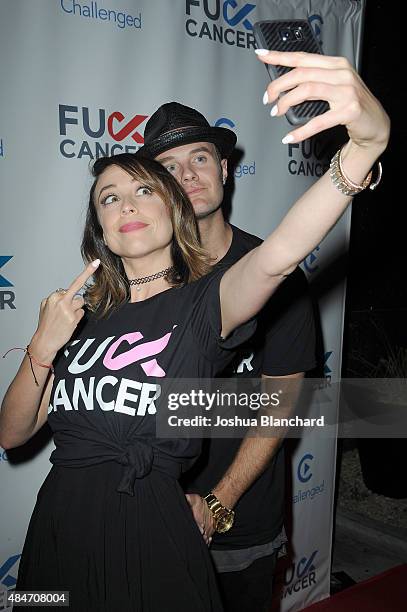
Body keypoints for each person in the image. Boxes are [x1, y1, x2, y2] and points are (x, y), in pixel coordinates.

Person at [0, 49, 389, 612]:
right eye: (111, 198)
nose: (129, 204)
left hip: (168, 535)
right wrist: (41, 345)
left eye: (144, 191)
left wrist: (365, 148)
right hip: (56, 536)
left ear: (175, 209)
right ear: (102, 230)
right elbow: (12, 435)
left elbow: (278, 258)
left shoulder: (210, 301)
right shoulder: (78, 316)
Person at [136, 100, 316, 610]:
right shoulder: (138, 278)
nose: (187, 175)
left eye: (199, 157)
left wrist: (218, 504)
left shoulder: (274, 274)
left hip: (238, 523)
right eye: (169, 167)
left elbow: (282, 401)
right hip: (147, 517)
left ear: (224, 167)